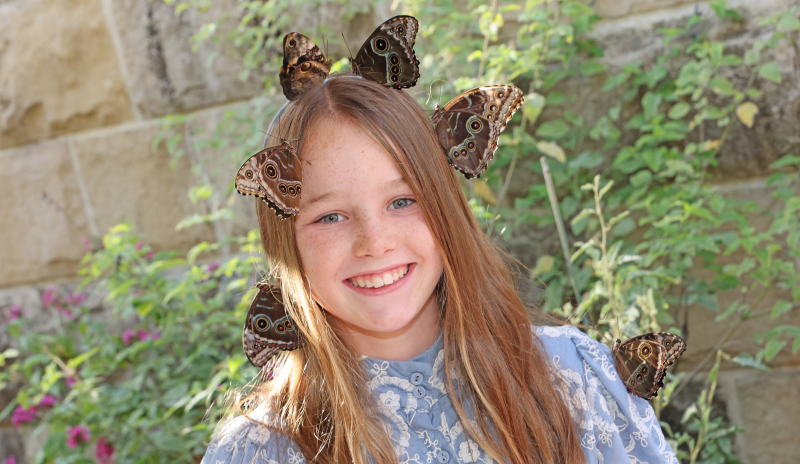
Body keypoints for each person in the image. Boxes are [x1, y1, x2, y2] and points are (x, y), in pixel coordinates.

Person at [201, 75, 678, 464]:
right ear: (286, 240)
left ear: (445, 207)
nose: (375, 242)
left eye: (402, 201)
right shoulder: (261, 449)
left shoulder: (571, 377)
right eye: (330, 216)